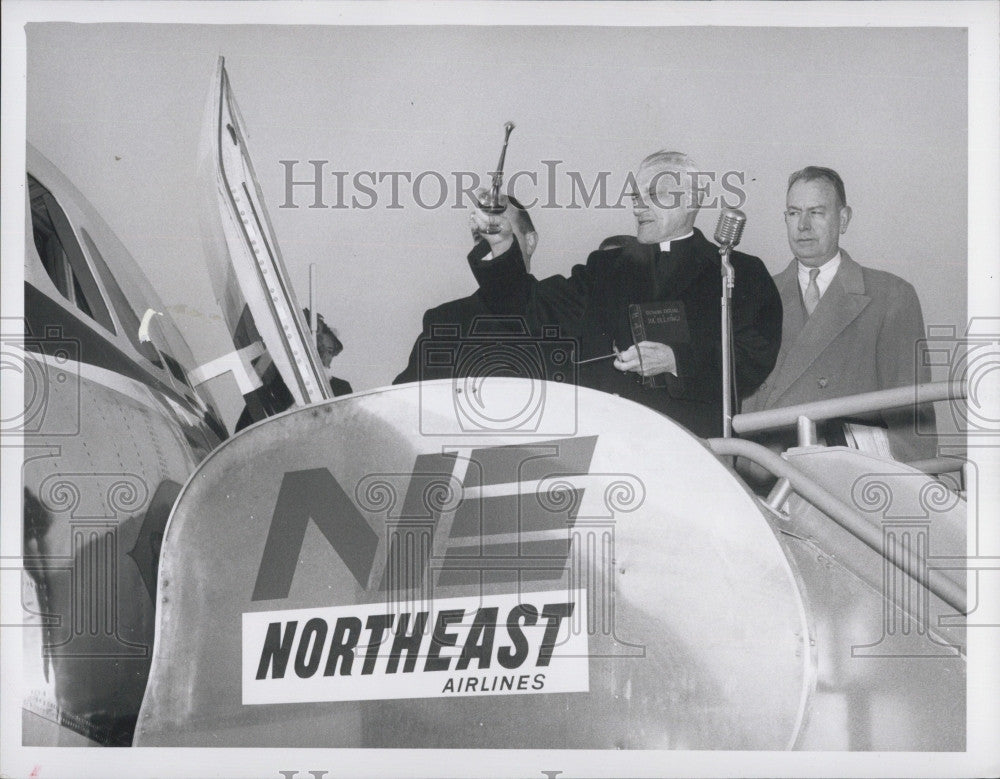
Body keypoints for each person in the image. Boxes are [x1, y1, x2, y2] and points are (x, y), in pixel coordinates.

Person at [434, 151, 782, 439]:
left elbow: (753, 356)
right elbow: (531, 308)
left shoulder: (737, 272)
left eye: (654, 196)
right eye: (635, 196)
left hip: (693, 452)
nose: (638, 206)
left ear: (693, 200)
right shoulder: (604, 268)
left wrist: (677, 361)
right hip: (610, 452)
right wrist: (502, 245)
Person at [742, 166, 936, 461]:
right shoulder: (756, 294)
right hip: (769, 474)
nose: (803, 226)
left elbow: (911, 421)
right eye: (793, 213)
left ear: (843, 219)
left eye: (816, 213)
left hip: (848, 478)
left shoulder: (892, 296)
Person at [393, 195, 549, 385]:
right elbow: (405, 404)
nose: (489, 242)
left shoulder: (563, 306)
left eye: (496, 229)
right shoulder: (445, 324)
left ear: (530, 241)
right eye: (479, 236)